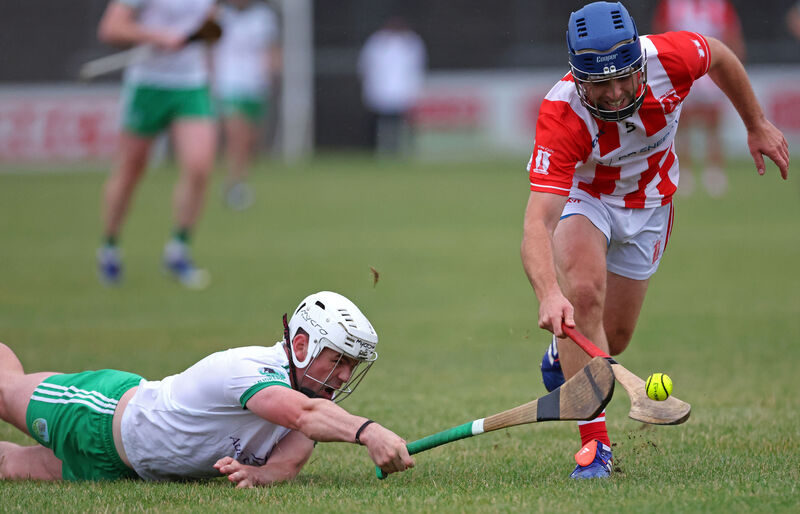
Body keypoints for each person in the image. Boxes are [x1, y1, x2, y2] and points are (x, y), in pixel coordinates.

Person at [521, 1, 788, 479]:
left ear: (639, 62)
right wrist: (549, 294)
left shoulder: (671, 57)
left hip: (651, 205)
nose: (616, 91)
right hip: (590, 199)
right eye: (600, 83)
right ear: (578, 77)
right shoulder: (561, 113)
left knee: (615, 340)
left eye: (624, 76)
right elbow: (538, 221)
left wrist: (755, 123)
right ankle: (595, 448)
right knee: (583, 297)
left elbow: (722, 56)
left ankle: (562, 356)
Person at [0, 291, 414, 485]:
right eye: (338, 360)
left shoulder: (316, 397)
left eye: (352, 366)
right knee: (7, 388)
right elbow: (304, 417)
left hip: (128, 471)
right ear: (302, 346)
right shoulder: (251, 370)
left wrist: (260, 475)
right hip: (96, 414)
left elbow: (290, 460)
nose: (343, 376)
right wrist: (369, 431)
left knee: (9, 468)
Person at [96, 0, 219, 290]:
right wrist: (157, 36)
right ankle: (110, 246)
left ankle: (178, 250)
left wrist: (208, 32)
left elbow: (211, 21)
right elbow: (111, 27)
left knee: (199, 166)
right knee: (131, 170)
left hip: (191, 83)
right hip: (148, 83)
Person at [652, 0, 746, 197]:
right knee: (680, 122)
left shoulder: (719, 5)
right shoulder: (672, 5)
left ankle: (714, 172)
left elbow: (730, 32)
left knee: (713, 122)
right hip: (681, 67)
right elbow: (660, 32)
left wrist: (735, 61)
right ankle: (682, 171)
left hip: (712, 65)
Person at [214, 0, 281, 211]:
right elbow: (205, 47)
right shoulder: (218, 15)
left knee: (252, 141)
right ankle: (235, 183)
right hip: (228, 83)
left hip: (255, 85)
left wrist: (273, 70)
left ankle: (240, 178)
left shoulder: (264, 17)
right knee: (236, 135)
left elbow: (271, 49)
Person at [357, 16, 427, 156]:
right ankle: (377, 150)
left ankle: (405, 150)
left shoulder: (411, 42)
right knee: (380, 122)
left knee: (404, 123)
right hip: (381, 89)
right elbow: (366, 66)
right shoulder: (376, 42)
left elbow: (417, 67)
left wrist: (414, 89)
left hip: (403, 90)